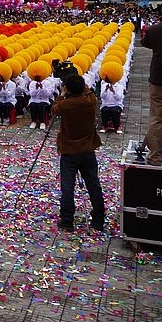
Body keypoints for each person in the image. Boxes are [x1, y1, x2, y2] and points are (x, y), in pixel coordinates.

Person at [51, 73, 105, 232]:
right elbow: (87, 90)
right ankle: (98, 218)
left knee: (67, 187)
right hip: (88, 148)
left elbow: (54, 108)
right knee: (93, 183)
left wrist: (62, 94)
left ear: (67, 89)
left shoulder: (65, 105)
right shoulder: (91, 100)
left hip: (70, 150)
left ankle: (67, 219)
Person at [141, 4, 162, 166]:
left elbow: (146, 43)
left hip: (160, 80)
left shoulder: (154, 30)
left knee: (158, 119)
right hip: (159, 79)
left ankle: (156, 156)